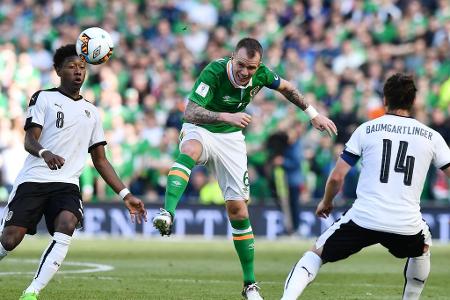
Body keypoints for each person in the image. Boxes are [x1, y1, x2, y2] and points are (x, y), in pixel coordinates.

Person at [152, 37, 337, 300]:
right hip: (202, 129)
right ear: (232, 58)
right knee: (190, 150)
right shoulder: (214, 71)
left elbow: (288, 88)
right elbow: (190, 112)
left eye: (251, 68)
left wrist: (313, 114)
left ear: (258, 65)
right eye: (241, 65)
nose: (245, 72)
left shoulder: (261, 74)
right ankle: (167, 213)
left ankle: (250, 285)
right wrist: (225, 116)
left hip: (231, 139)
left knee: (238, 210)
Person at [281, 73, 450, 300]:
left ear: (384, 100)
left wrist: (326, 202)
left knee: (316, 254)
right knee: (423, 248)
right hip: (406, 222)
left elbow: (337, 177)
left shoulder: (366, 129)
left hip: (364, 217)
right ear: (412, 101)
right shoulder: (432, 137)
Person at [0, 44, 147, 300]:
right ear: (58, 70)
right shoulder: (43, 97)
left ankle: (32, 293)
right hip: (34, 179)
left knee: (67, 224)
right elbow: (29, 140)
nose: (78, 71)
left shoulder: (92, 111)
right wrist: (45, 153)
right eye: (71, 66)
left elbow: (100, 160)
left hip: (67, 183)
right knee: (10, 240)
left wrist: (125, 194)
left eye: (82, 67)